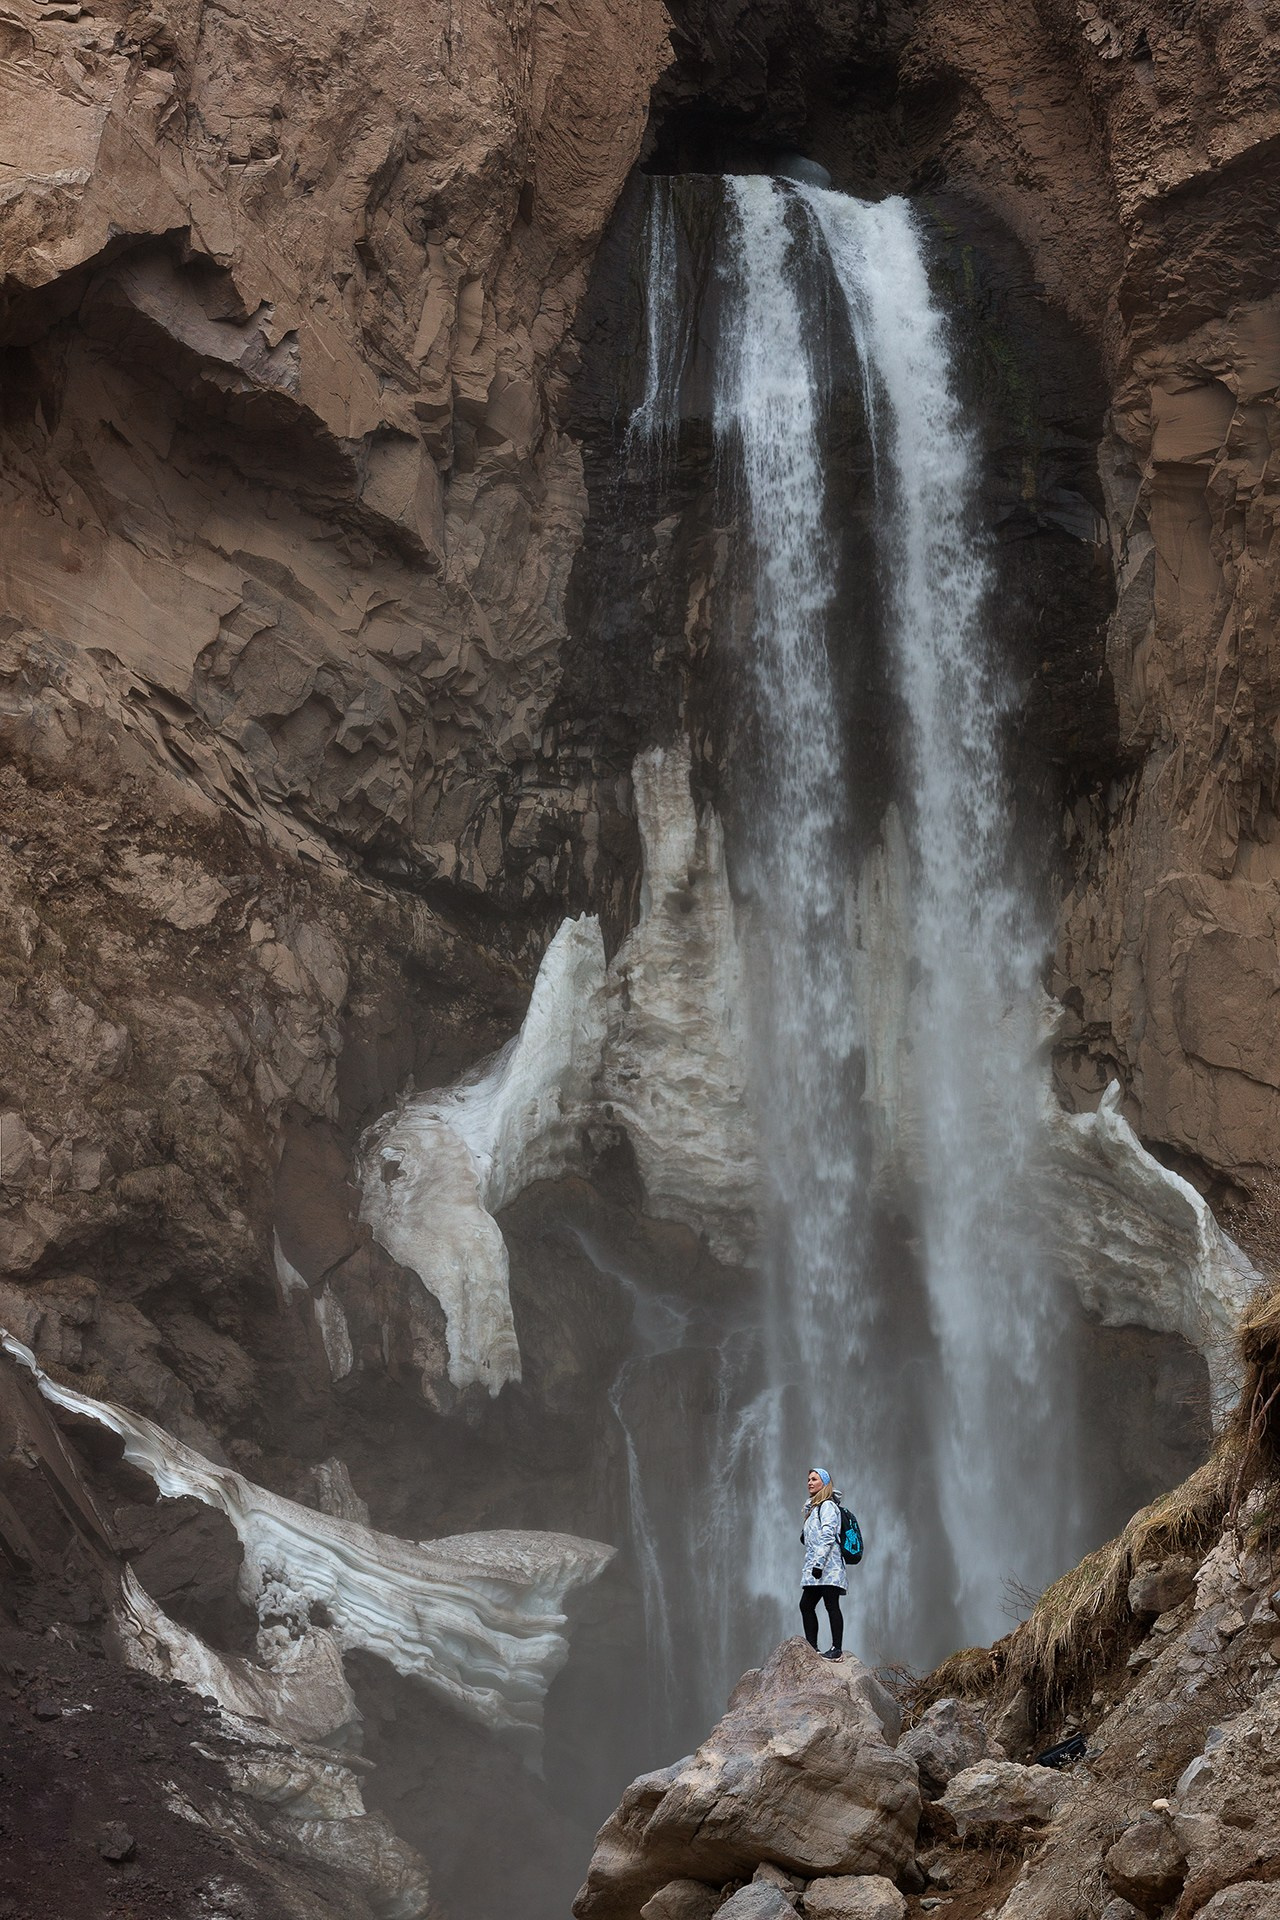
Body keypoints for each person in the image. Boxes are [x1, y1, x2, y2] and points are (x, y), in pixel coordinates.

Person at [800, 1466, 845, 1661]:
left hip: (829, 1566)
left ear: (825, 1484)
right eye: (809, 1479)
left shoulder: (827, 1506)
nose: (810, 1482)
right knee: (805, 1605)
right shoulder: (813, 1508)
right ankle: (813, 1647)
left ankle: (836, 1649)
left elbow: (828, 1536)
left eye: (814, 1479)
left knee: (831, 1605)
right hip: (816, 1568)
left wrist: (818, 1564)